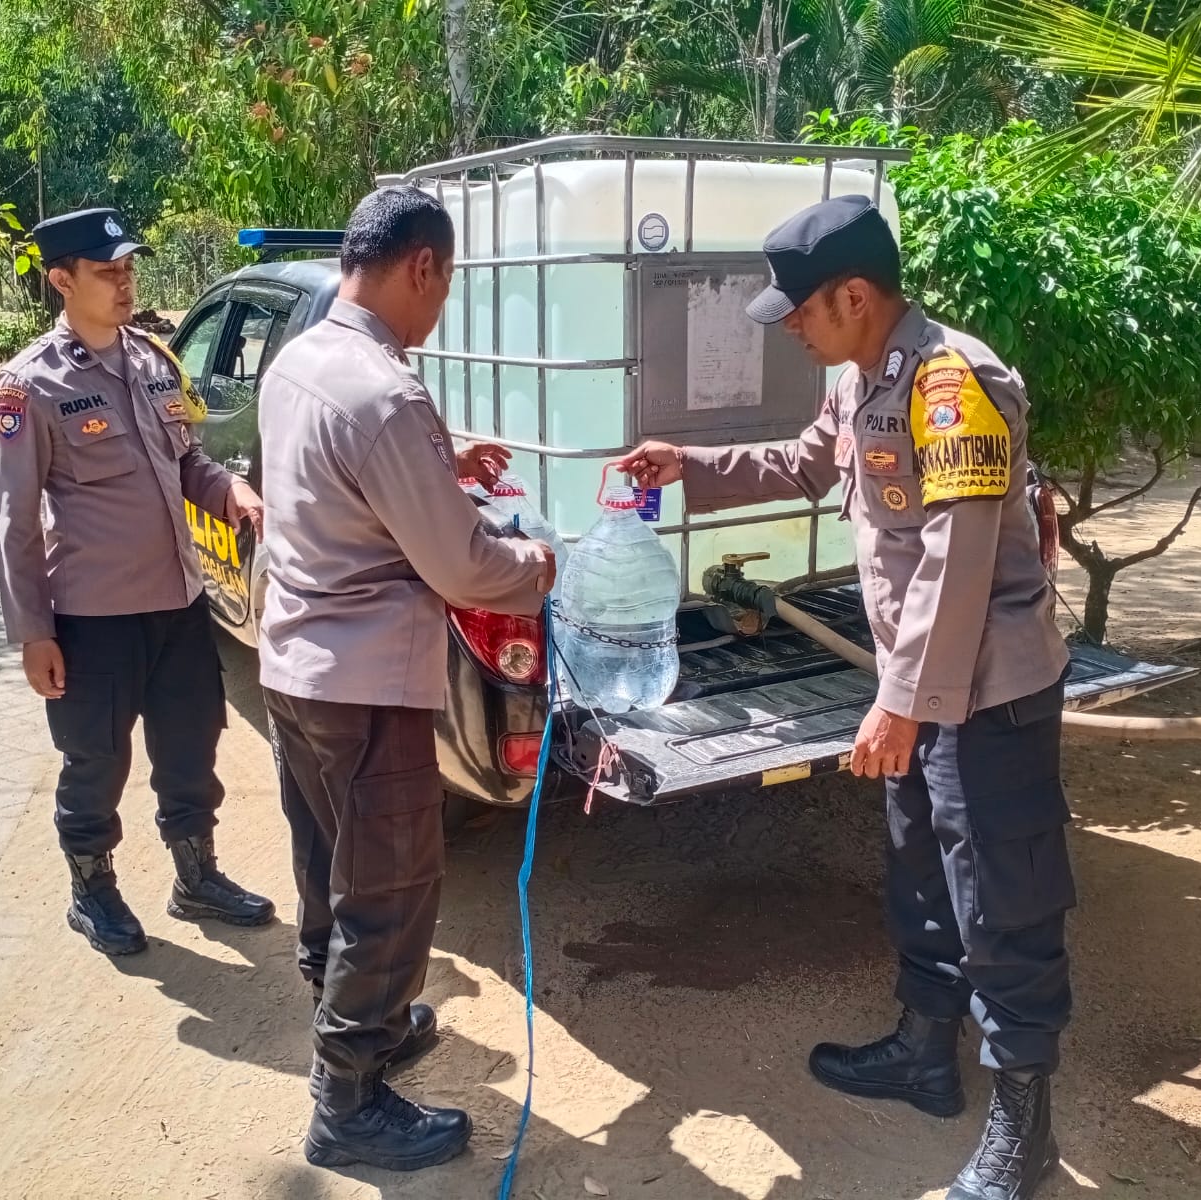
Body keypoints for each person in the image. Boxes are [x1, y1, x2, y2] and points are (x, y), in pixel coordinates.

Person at [615, 195, 1074, 1200]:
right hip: (919, 680)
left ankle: (1023, 1133)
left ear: (855, 294)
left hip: (986, 692)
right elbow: (801, 462)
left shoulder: (954, 384)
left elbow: (955, 562)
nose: (790, 325)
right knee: (920, 874)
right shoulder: (863, 376)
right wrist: (684, 463)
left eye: (801, 310)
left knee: (1004, 903)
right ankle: (921, 1051)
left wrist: (900, 702)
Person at [258, 186, 555, 1173]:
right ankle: (347, 1101)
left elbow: (348, 482)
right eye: (447, 285)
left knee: (327, 865)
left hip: (296, 667)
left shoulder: (301, 358)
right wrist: (537, 566)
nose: (442, 309)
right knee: (391, 890)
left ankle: (360, 1023)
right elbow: (464, 566)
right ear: (421, 267)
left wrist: (442, 460)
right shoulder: (387, 393)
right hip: (368, 687)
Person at [0, 206, 275, 958]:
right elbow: (14, 522)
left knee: (190, 747)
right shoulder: (29, 386)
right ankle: (93, 890)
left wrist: (230, 493)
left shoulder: (151, 361)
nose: (124, 285)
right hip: (95, 617)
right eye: (107, 273)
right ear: (62, 279)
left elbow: (187, 461)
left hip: (179, 603)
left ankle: (196, 877)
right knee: (96, 760)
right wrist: (33, 634)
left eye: (129, 271)